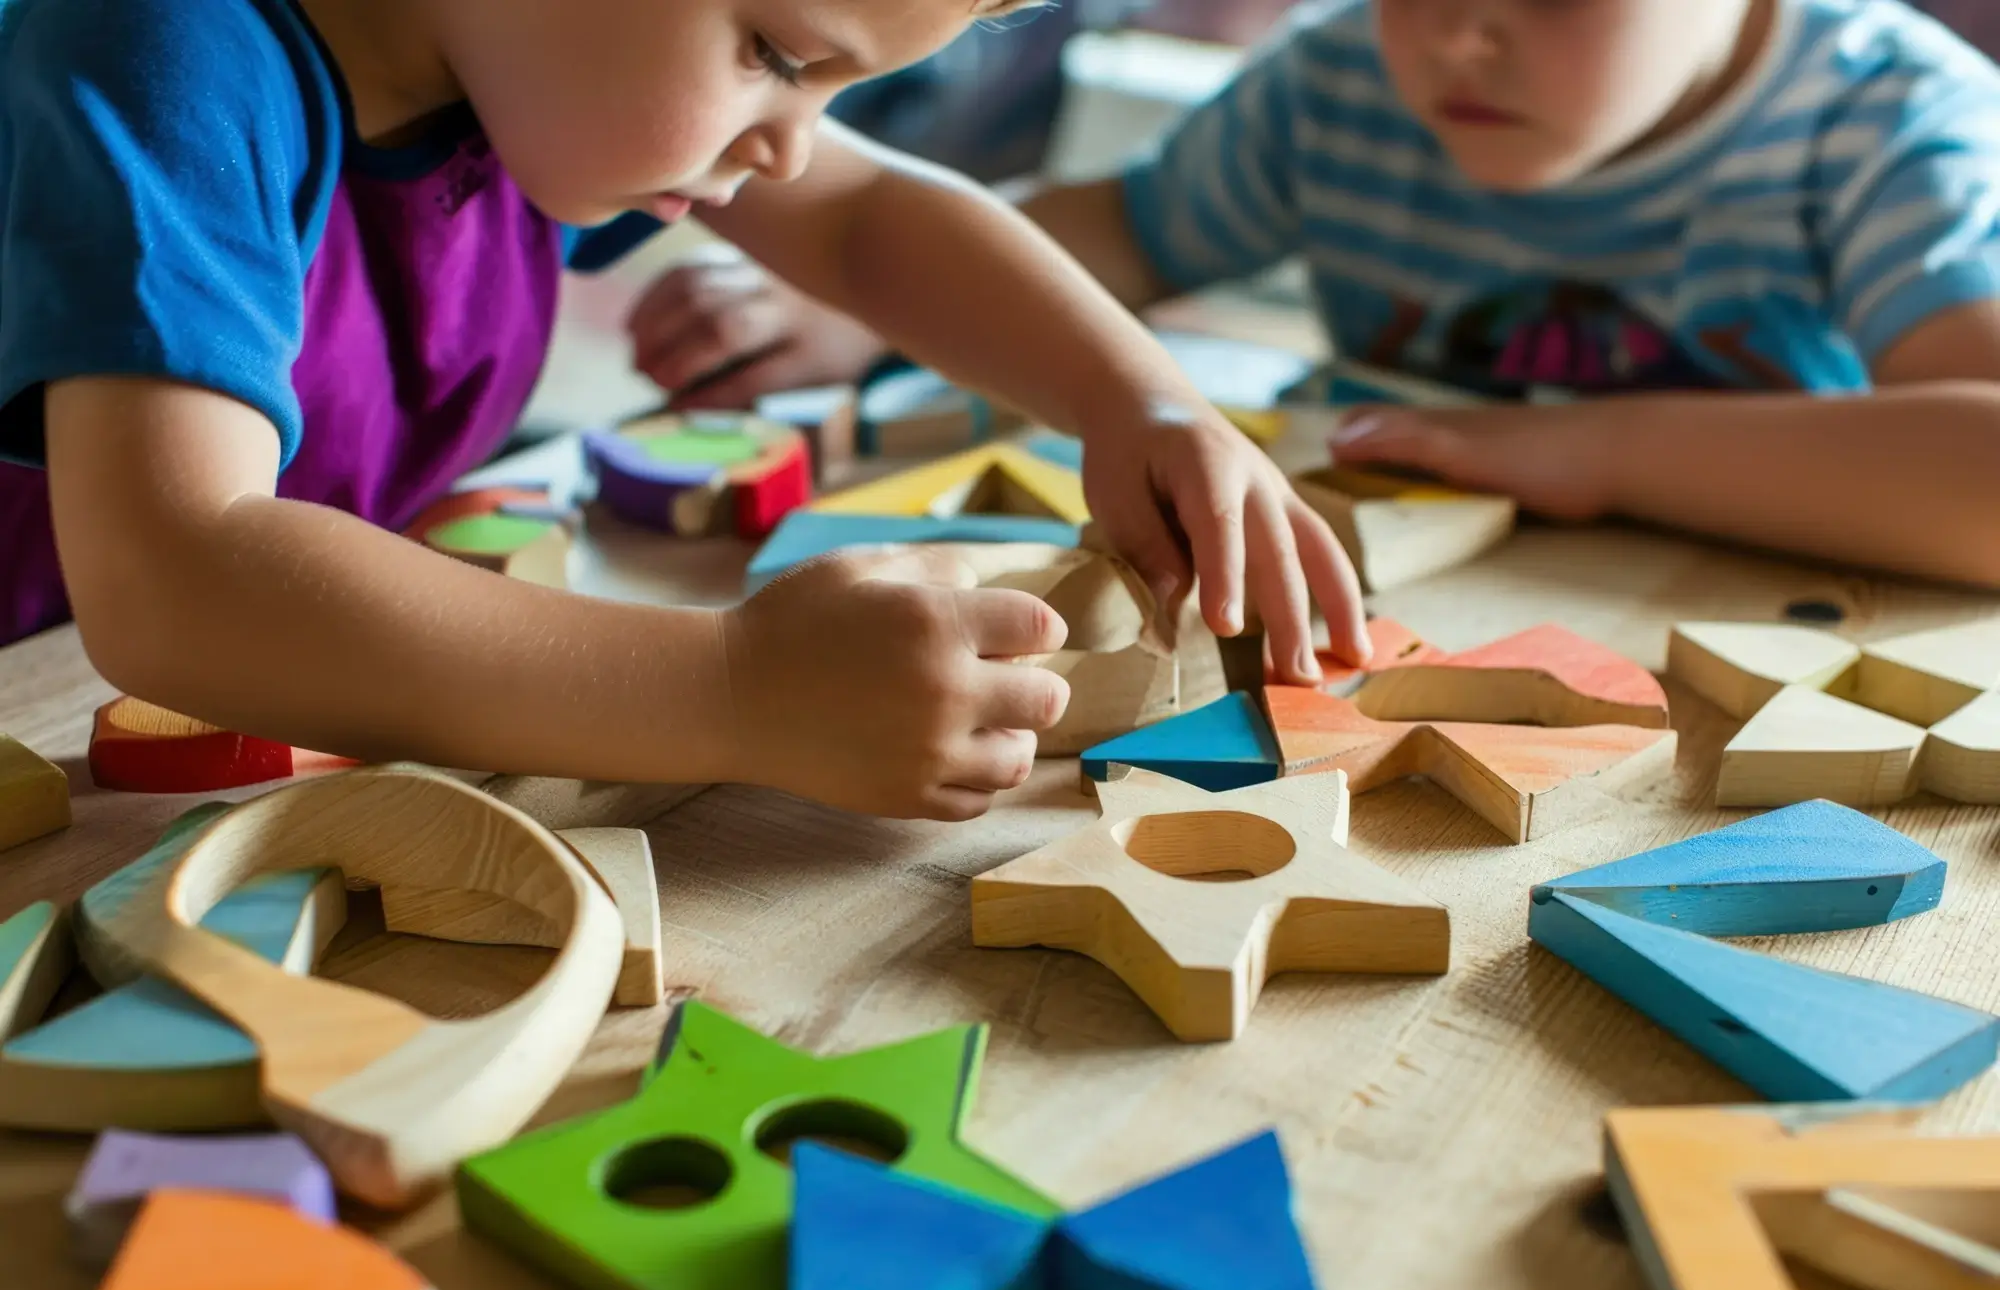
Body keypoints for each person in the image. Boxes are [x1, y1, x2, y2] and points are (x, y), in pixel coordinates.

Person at [0, 0, 1372, 823]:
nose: (788, 141)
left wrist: (1142, 398)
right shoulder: (162, 53)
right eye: (777, 50)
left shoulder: (512, 57)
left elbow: (869, 220)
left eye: (840, 84)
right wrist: (733, 691)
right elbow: (177, 578)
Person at [656, 0, 2000, 589]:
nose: (1459, 36)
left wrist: (1590, 448)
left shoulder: (1889, 122)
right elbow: (1123, 229)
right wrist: (856, 308)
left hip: (1713, 614)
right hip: (1382, 594)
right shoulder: (1342, 77)